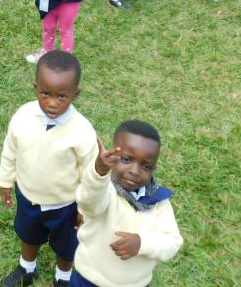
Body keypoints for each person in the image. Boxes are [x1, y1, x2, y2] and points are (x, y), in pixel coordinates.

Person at [0, 51, 97, 287]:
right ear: (36, 88)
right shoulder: (23, 116)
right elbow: (10, 149)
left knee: (67, 245)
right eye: (45, 93)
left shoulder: (82, 131)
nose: (52, 102)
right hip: (28, 195)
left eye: (62, 96)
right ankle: (26, 268)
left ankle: (63, 277)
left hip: (65, 204)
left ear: (76, 94)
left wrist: (85, 206)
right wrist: (5, 180)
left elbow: (90, 174)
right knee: (29, 235)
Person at [72, 121, 183, 287]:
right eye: (126, 159)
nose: (134, 171)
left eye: (146, 166)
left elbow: (172, 242)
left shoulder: (159, 202)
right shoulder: (104, 188)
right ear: (113, 156)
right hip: (88, 278)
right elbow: (90, 203)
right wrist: (99, 172)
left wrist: (141, 244)